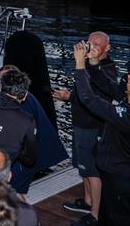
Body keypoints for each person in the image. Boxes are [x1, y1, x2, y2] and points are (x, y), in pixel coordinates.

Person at [52, 32, 121, 223]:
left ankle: (95, 214)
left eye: (98, 44)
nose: (92, 47)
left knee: (92, 170)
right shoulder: (89, 64)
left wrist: (69, 97)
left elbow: (95, 99)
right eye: (90, 43)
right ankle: (88, 201)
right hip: (80, 124)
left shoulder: (107, 70)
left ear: (108, 48)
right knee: (83, 167)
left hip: (92, 127)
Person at [73, 41, 130, 226]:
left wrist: (80, 66)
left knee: (117, 218)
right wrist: (95, 62)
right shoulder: (125, 100)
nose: (126, 79)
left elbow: (89, 99)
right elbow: (108, 85)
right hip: (112, 173)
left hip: (121, 176)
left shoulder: (125, 116)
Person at [0, 65, 67, 198]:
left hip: (27, 159)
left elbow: (22, 135)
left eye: (4, 81)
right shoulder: (25, 97)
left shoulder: (22, 102)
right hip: (35, 155)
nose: (2, 85)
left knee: (13, 191)